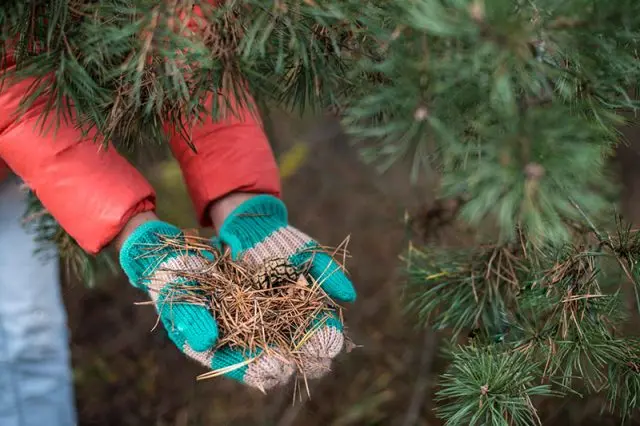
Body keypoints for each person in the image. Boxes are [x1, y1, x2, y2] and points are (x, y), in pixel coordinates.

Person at [0, 14, 356, 426]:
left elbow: (183, 31)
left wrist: (241, 201)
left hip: (18, 169)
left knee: (31, 335)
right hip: (23, 139)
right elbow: (16, 86)